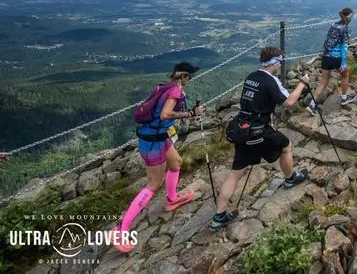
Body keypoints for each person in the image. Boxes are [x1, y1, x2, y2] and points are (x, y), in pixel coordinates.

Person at [210, 48, 310, 231]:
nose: (280, 64)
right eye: (279, 61)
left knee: (235, 173)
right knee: (287, 146)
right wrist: (302, 83)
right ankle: (290, 178)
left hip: (242, 130)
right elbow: (289, 102)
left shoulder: (251, 77)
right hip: (259, 131)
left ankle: (219, 216)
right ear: (274, 62)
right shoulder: (270, 80)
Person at [113, 62, 202, 253]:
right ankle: (121, 229)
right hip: (153, 141)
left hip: (157, 136)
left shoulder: (166, 86)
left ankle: (171, 200)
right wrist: (191, 114)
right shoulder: (175, 91)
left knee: (176, 162)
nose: (190, 79)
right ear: (183, 76)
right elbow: (165, 114)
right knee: (153, 184)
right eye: (190, 76)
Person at [307, 8, 356, 112]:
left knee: (323, 82)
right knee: (345, 76)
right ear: (350, 17)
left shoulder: (333, 25)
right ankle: (344, 98)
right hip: (337, 57)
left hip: (326, 56)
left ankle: (311, 104)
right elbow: (344, 47)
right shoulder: (345, 28)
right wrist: (343, 62)